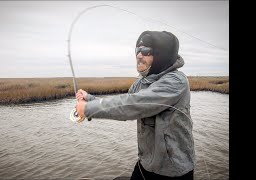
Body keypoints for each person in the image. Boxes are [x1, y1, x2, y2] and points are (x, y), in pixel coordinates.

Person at [75, 31, 196, 180]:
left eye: (146, 51)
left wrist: (88, 109)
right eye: (137, 50)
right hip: (145, 163)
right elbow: (126, 104)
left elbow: (133, 105)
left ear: (162, 55)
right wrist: (90, 99)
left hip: (173, 171)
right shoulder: (140, 83)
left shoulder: (176, 81)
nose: (139, 55)